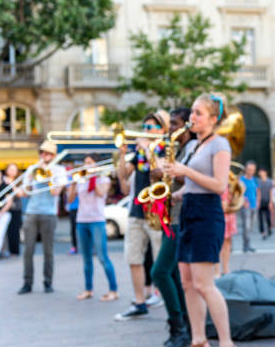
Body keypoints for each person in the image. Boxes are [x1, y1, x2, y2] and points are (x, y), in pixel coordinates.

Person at [164, 92, 238, 347]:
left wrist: (185, 172)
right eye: (192, 112)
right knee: (187, 282)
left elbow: (219, 185)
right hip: (189, 211)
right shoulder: (195, 145)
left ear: (212, 118)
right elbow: (193, 185)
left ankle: (227, 345)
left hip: (207, 214)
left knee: (205, 284)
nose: (191, 118)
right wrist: (174, 193)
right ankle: (199, 342)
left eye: (197, 113)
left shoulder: (220, 145)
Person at [114, 110, 169, 320]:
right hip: (136, 210)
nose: (145, 131)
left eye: (150, 128)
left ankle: (166, 299)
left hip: (156, 211)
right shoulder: (138, 153)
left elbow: (159, 171)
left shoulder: (165, 149)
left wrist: (148, 149)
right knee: (133, 257)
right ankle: (139, 302)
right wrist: (121, 155)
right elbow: (123, 179)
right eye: (144, 127)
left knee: (159, 260)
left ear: (162, 130)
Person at [150, 107, 196, 347]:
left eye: (175, 125)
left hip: (184, 218)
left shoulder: (192, 149)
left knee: (159, 272)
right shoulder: (179, 149)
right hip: (174, 217)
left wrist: (167, 172)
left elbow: (191, 179)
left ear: (187, 125)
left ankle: (178, 329)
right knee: (176, 276)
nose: (171, 130)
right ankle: (186, 327)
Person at [67, 153, 118, 302]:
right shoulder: (80, 181)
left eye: (90, 162)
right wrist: (74, 184)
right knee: (86, 259)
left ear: (97, 165)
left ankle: (113, 290)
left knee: (103, 257)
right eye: (85, 163)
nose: (86, 165)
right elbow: (70, 200)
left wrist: (93, 178)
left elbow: (101, 192)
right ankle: (88, 289)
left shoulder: (104, 179)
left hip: (97, 221)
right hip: (82, 221)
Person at [18, 141, 67, 294]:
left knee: (48, 251)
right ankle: (27, 283)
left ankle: (48, 282)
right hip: (31, 212)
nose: (44, 156)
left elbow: (56, 193)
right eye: (42, 153)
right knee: (28, 250)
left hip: (49, 213)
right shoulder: (32, 169)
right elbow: (25, 193)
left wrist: (48, 174)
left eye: (47, 153)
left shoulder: (59, 170)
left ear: (53, 156)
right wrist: (31, 179)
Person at [238, 160, 259, 253]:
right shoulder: (241, 180)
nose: (251, 171)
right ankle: (245, 246)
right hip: (245, 206)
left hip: (254, 206)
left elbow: (258, 191)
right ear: (246, 169)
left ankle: (247, 244)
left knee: (250, 227)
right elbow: (238, 193)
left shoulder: (254, 179)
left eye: (253, 170)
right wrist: (243, 201)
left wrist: (258, 201)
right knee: (246, 226)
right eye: (249, 169)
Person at [219, 184, 238, 277]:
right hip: (219, 213)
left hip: (229, 213)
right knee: (219, 243)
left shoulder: (231, 182)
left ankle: (226, 268)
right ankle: (216, 270)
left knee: (227, 242)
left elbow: (237, 197)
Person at [3, 163, 22, 256]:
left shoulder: (18, 181)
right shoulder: (2, 180)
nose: (12, 171)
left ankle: (14, 251)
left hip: (16, 209)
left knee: (15, 230)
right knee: (4, 231)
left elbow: (20, 194)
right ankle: (5, 251)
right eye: (10, 169)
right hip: (4, 208)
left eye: (14, 170)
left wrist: (11, 183)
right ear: (6, 170)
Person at [257, 168, 273, 239]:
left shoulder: (269, 181)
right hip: (261, 202)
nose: (261, 173)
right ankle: (263, 232)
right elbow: (258, 193)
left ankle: (269, 228)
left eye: (262, 172)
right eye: (260, 172)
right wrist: (258, 202)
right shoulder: (258, 181)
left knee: (268, 217)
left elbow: (271, 192)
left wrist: (271, 202)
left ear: (265, 172)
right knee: (260, 218)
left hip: (267, 201)